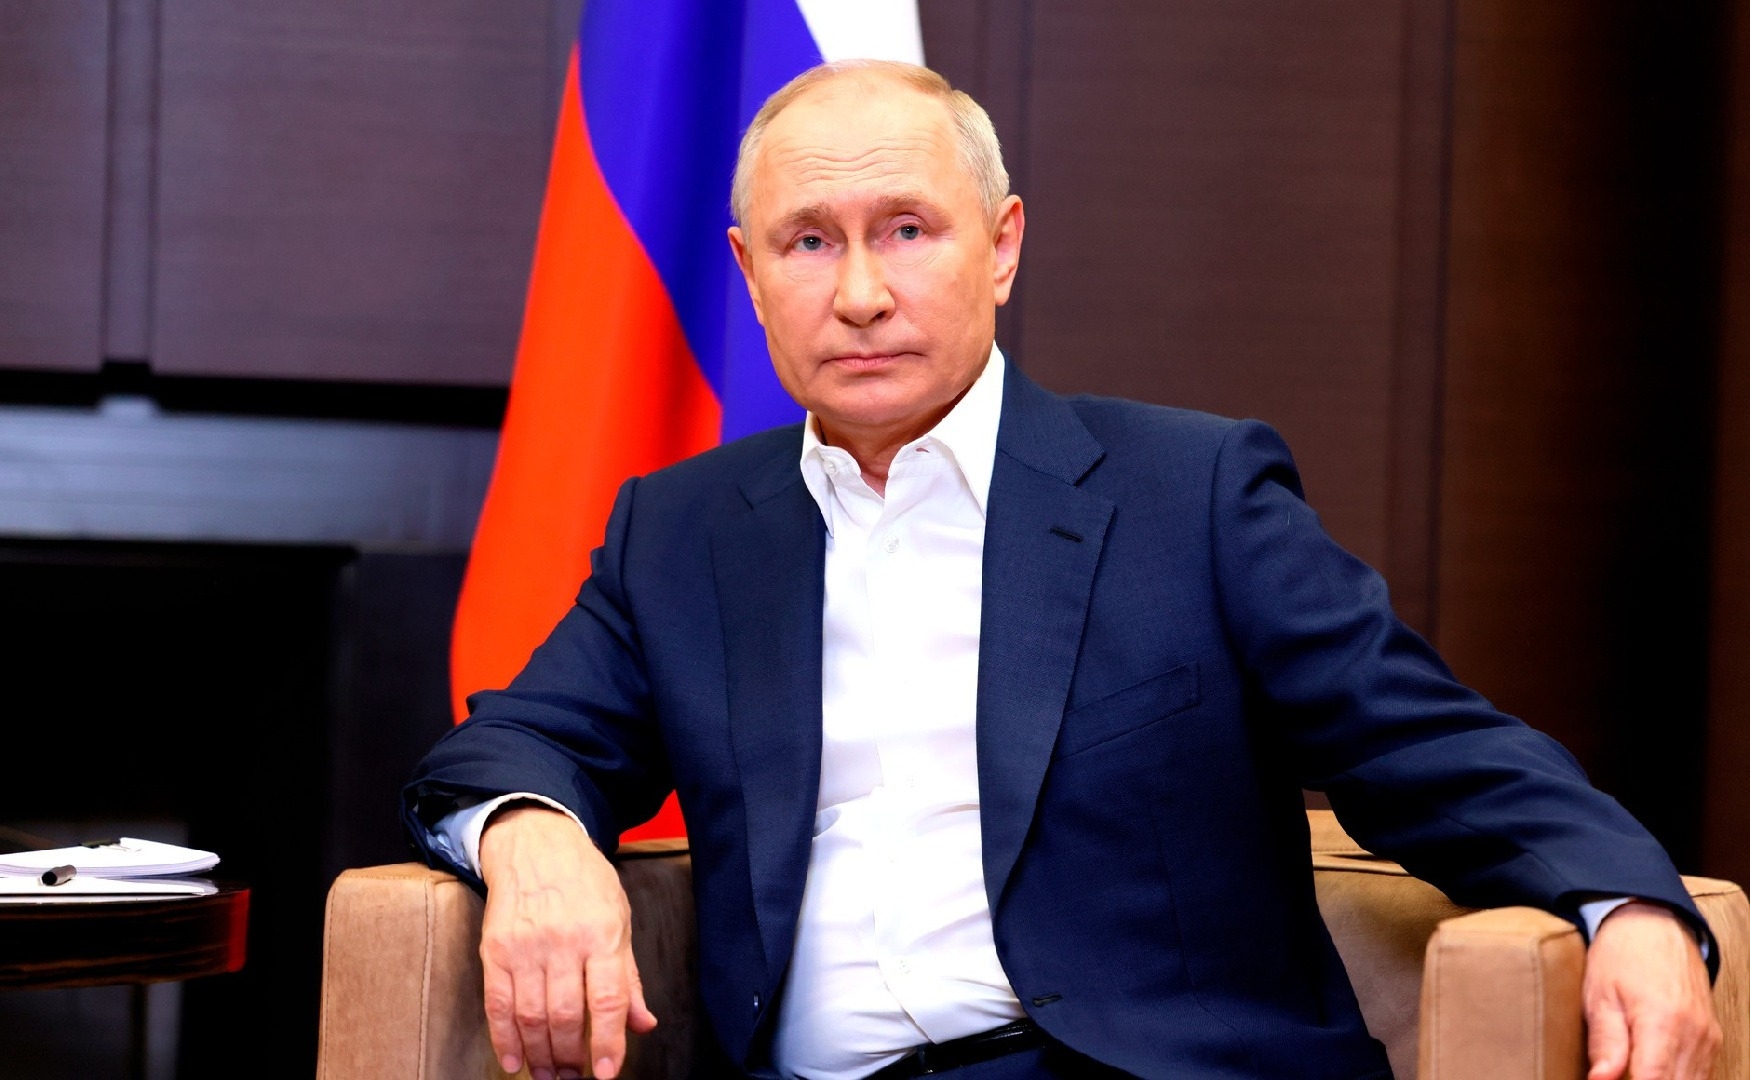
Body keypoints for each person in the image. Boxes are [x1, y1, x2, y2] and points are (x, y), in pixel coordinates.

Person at [403, 60, 1720, 1080]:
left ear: (1002, 246)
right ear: (748, 276)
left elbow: (1423, 748)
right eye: (808, 242)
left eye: (906, 229)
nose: (859, 293)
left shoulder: (1190, 496)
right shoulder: (685, 531)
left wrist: (1625, 904)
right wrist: (534, 837)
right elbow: (514, 740)